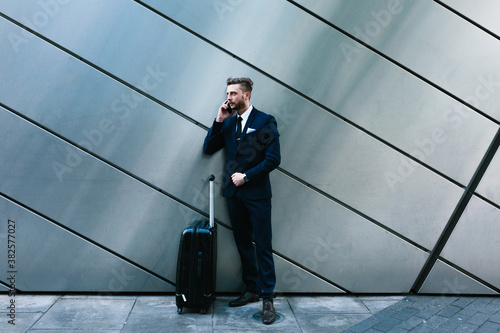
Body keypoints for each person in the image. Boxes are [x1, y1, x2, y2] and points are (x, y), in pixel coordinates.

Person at [203, 77, 281, 325]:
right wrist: (218, 119)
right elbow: (208, 148)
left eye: (234, 93)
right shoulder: (228, 123)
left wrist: (247, 176)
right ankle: (252, 289)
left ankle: (268, 298)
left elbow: (273, 159)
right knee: (243, 244)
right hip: (233, 196)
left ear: (246, 95)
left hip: (256, 195)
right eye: (227, 93)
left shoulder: (265, 121)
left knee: (263, 245)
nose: (229, 98)